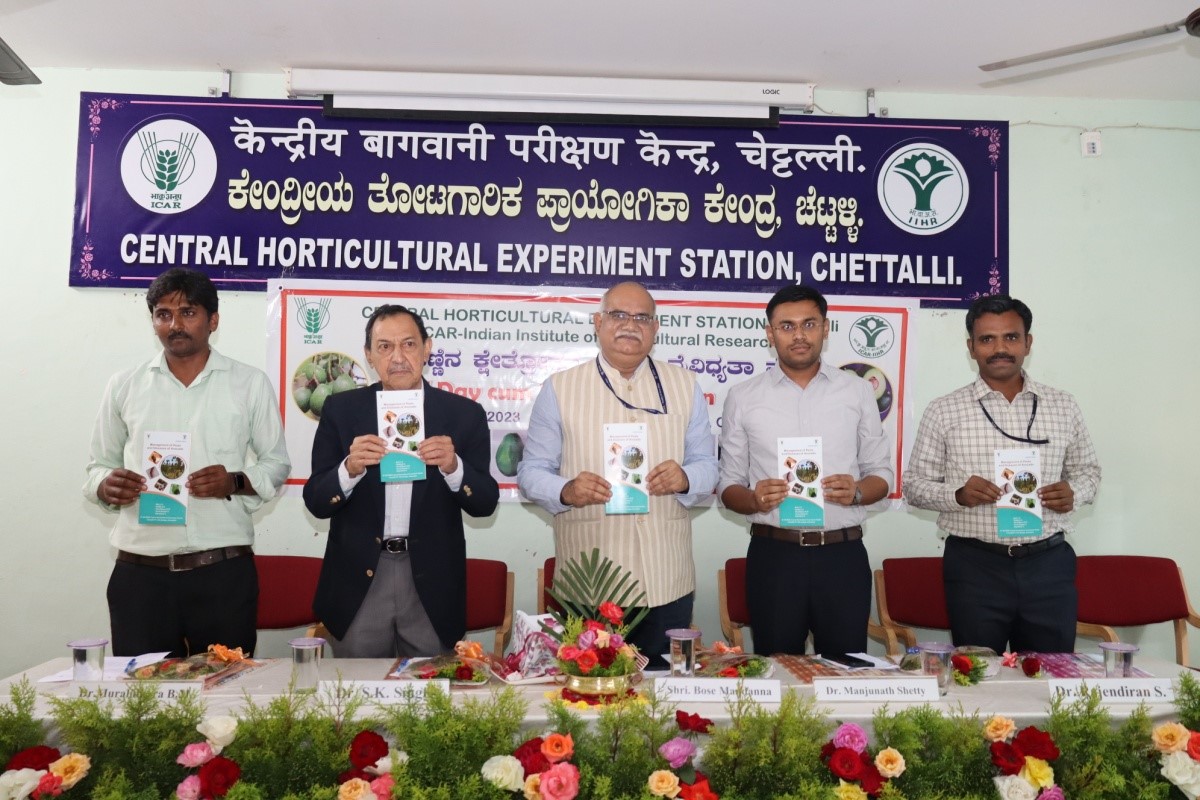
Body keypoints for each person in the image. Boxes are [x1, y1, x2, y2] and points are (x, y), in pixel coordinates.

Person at [84, 268, 291, 658]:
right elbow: (97, 465)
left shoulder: (249, 383)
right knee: (141, 703)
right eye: (163, 314)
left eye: (188, 313)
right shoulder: (125, 385)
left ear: (213, 320)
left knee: (225, 695)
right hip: (140, 573)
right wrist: (106, 485)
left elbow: (276, 464)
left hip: (222, 572)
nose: (175, 325)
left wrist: (234, 481)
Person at [517, 281, 718, 660]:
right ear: (597, 321)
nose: (630, 325)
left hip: (668, 579)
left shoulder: (685, 385)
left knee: (665, 697)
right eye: (618, 315)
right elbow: (531, 473)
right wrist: (566, 490)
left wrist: (686, 478)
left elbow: (709, 466)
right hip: (591, 581)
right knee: (591, 701)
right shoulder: (560, 388)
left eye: (642, 317)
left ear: (655, 328)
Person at [904, 294, 1101, 654]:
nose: (1000, 348)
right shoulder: (944, 410)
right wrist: (957, 495)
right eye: (987, 339)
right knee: (976, 678)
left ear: (1028, 343)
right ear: (971, 347)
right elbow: (914, 487)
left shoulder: (1063, 405)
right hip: (975, 566)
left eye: (1010, 337)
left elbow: (1089, 472)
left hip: (1048, 564)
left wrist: (1075, 491)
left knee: (1051, 677)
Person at [304, 305, 499, 658]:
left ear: (427, 348)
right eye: (384, 347)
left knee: (430, 701)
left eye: (408, 344)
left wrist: (453, 466)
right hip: (360, 580)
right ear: (368, 355)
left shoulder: (462, 414)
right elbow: (316, 500)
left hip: (431, 583)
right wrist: (349, 468)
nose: (397, 357)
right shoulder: (341, 410)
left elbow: (485, 502)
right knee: (356, 703)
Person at [718, 285, 893, 656]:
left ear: (826, 328)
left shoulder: (857, 391)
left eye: (809, 324)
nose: (798, 335)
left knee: (846, 671)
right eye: (786, 326)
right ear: (769, 332)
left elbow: (883, 475)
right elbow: (727, 485)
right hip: (774, 557)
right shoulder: (743, 396)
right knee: (778, 673)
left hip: (842, 556)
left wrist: (858, 491)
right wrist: (753, 499)